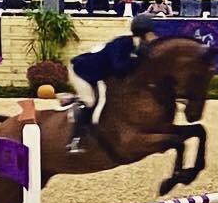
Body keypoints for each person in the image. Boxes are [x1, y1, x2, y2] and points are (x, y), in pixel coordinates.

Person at [67, 14, 160, 148]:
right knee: (90, 101)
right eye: (152, 34)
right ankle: (75, 139)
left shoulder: (137, 47)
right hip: (80, 71)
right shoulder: (122, 43)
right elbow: (118, 67)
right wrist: (136, 58)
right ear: (144, 34)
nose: (154, 37)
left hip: (96, 75)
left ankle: (74, 100)